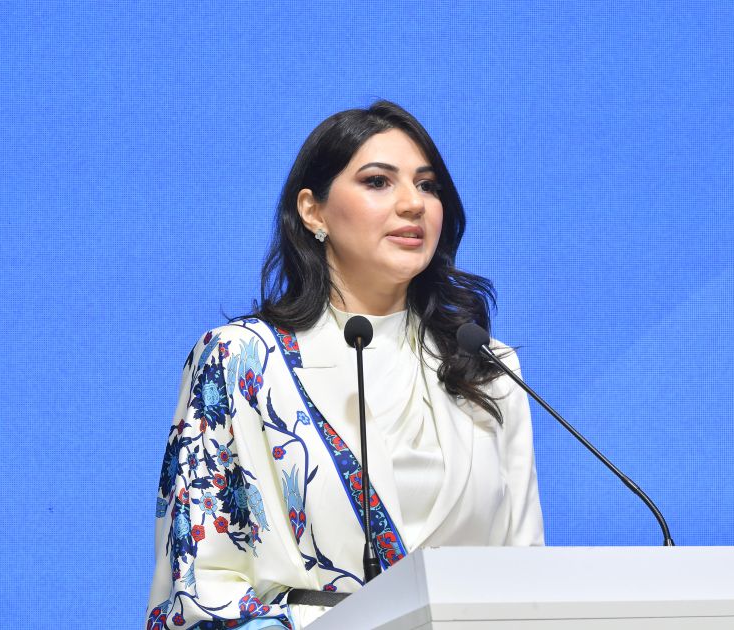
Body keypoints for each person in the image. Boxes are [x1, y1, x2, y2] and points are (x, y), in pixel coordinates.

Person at [146, 101, 545, 629]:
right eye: (378, 182)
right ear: (313, 211)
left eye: (428, 186)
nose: (413, 204)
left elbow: (526, 571)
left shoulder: (487, 365)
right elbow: (200, 584)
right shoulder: (242, 359)